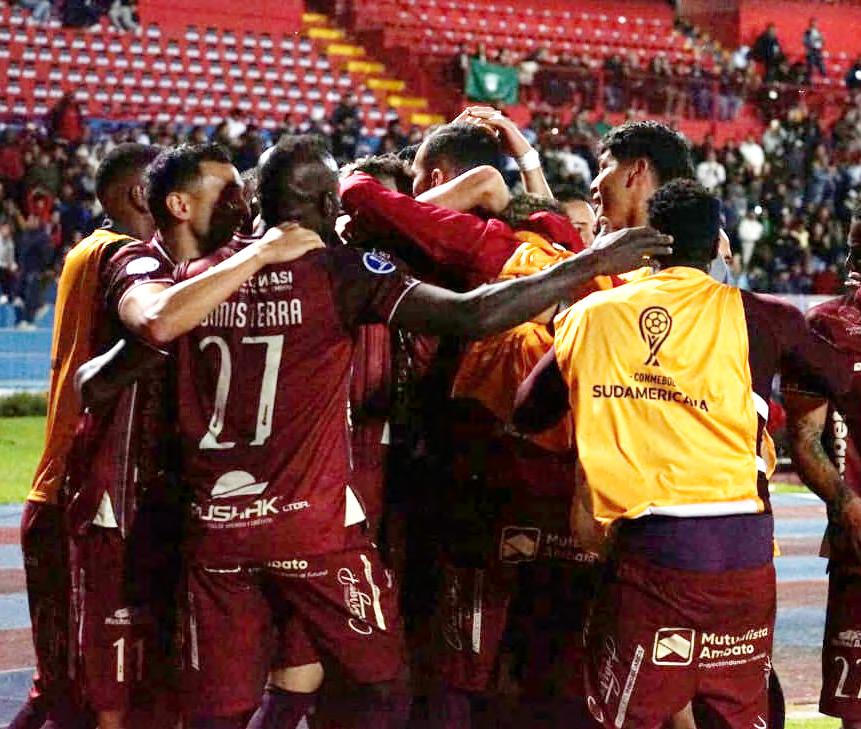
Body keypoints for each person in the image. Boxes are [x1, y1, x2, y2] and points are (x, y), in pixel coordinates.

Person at [161, 134, 670, 729]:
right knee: (384, 683)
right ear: (327, 204)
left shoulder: (193, 280)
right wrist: (589, 263)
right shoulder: (344, 272)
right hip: (313, 525)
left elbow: (114, 367)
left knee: (227, 702)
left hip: (217, 527)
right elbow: (472, 312)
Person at [512, 179, 853, 729]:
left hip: (650, 547)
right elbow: (840, 377)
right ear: (717, 242)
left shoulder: (592, 314)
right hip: (744, 551)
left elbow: (527, 411)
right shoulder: (763, 316)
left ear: (648, 242)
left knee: (628, 716)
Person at [68, 143, 324, 729]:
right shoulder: (137, 262)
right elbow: (138, 335)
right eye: (226, 193)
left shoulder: (245, 272)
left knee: (205, 690)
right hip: (124, 509)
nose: (243, 204)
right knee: (114, 700)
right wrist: (256, 256)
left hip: (209, 515)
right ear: (180, 206)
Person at [13, 144, 161, 729]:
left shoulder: (87, 251)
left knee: (60, 689)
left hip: (61, 489)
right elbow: (155, 318)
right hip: (81, 498)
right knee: (80, 697)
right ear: (142, 195)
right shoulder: (125, 257)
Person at [784, 207, 861, 729]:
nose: (854, 263)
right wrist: (845, 503)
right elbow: (805, 438)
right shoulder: (827, 326)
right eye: (854, 248)